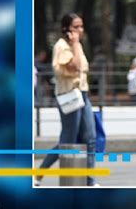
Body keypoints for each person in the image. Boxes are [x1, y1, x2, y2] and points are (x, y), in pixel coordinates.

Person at [35, 13, 97, 186]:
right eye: (76, 27)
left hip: (82, 94)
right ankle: (39, 173)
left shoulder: (77, 46)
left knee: (90, 138)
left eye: (81, 26)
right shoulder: (62, 46)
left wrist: (77, 45)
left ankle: (90, 180)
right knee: (68, 140)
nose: (80, 30)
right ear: (66, 29)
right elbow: (76, 67)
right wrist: (75, 44)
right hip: (69, 95)